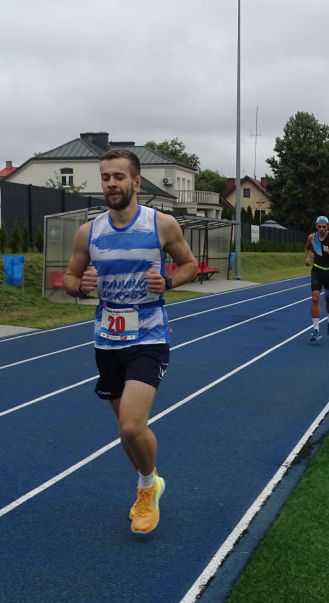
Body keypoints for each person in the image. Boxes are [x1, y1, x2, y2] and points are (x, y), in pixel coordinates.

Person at [62, 148, 198, 535]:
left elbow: (189, 264)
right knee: (125, 427)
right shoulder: (89, 232)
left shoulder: (162, 224)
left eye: (119, 177)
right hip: (107, 340)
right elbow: (69, 278)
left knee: (130, 427)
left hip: (149, 336)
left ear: (136, 182)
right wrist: (79, 286)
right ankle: (150, 479)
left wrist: (169, 282)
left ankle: (145, 489)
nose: (111, 183)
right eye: (106, 177)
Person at [304, 216, 329, 341]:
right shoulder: (312, 237)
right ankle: (316, 329)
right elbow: (307, 248)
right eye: (319, 227)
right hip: (317, 270)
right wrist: (307, 257)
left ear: (327, 226)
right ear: (316, 226)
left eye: (324, 227)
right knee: (315, 297)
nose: (321, 229)